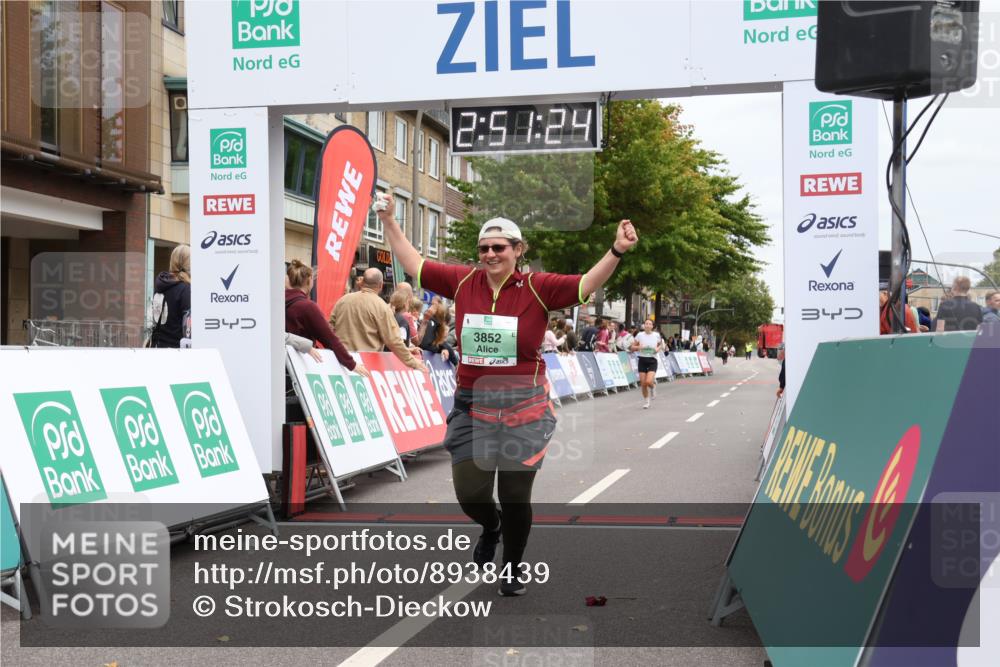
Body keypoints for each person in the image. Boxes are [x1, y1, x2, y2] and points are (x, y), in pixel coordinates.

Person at [377, 195, 638, 597]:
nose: (490, 254)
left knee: (515, 495)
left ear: (518, 250)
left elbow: (586, 284)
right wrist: (390, 220)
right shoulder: (463, 281)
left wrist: (616, 250)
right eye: (484, 248)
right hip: (472, 404)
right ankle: (491, 526)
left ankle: (513, 566)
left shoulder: (539, 287)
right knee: (470, 493)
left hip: (524, 407)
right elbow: (414, 262)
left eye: (499, 247)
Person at [329, 268, 426, 371]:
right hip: (365, 365)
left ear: (363, 282)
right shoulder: (382, 307)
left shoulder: (343, 300)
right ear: (381, 285)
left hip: (339, 361)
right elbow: (393, 340)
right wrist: (412, 361)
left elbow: (329, 328)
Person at [284, 260, 368, 376]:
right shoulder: (307, 307)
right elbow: (330, 339)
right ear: (309, 281)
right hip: (299, 368)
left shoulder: (278, 302)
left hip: (279, 365)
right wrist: (352, 364)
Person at [151, 245, 192, 348]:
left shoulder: (161, 285)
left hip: (157, 347)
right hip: (176, 351)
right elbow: (188, 326)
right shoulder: (185, 289)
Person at [631, 319, 663, 409]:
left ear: (652, 326)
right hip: (642, 360)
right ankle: (646, 401)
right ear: (644, 325)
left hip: (652, 360)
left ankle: (653, 387)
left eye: (650, 324)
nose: (648, 325)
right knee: (643, 383)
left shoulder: (656, 335)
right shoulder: (639, 335)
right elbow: (632, 347)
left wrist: (658, 349)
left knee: (648, 381)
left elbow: (662, 344)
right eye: (646, 324)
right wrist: (638, 347)